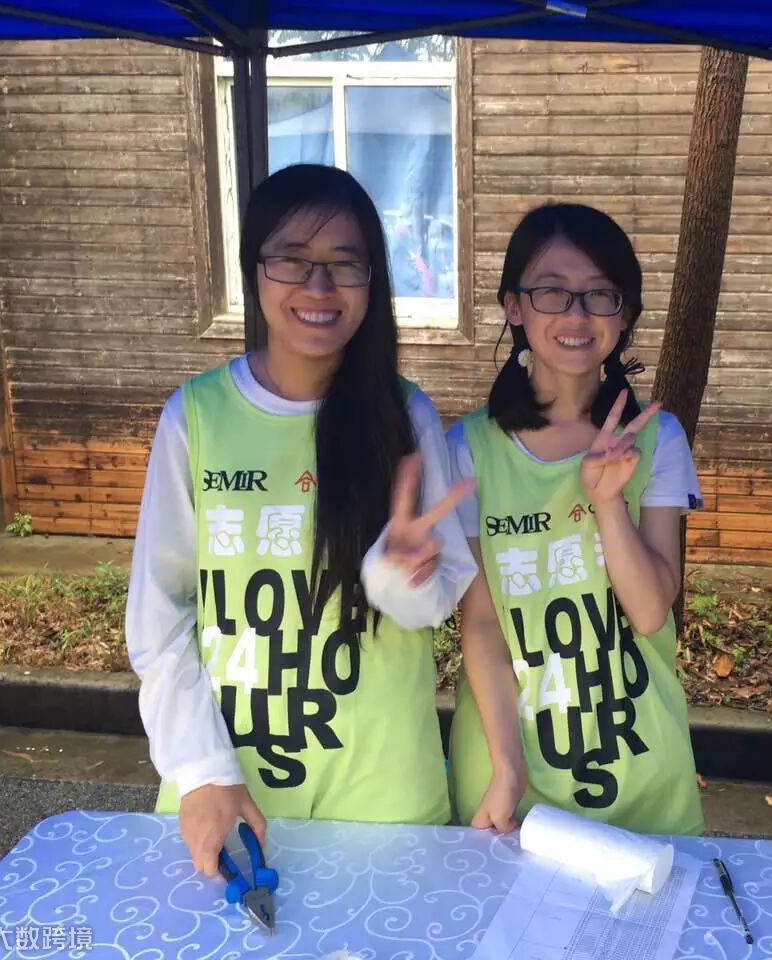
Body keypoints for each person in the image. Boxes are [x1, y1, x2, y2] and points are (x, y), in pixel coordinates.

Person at [125, 164, 474, 878]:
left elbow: (433, 605)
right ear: (255, 268)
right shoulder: (195, 416)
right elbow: (159, 615)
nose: (319, 287)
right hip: (229, 783)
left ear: (372, 281)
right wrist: (201, 768)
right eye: (292, 259)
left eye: (344, 264)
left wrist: (395, 573)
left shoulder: (404, 415)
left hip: (384, 786)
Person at [446, 203, 705, 836]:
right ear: (514, 306)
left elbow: (650, 612)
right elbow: (483, 621)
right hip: (507, 765)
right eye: (552, 292)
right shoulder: (467, 449)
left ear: (625, 314)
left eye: (599, 295)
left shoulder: (658, 439)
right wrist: (507, 767)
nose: (576, 315)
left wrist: (608, 502)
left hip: (639, 762)